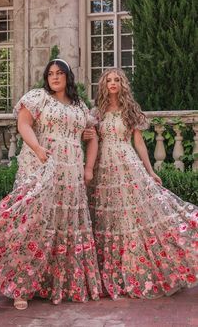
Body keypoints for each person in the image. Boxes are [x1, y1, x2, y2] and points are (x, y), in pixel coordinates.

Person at [0, 59, 102, 310]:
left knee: (63, 225)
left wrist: (88, 169)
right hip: (42, 166)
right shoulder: (37, 97)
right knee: (33, 223)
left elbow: (92, 136)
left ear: (68, 77)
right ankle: (20, 287)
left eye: (60, 73)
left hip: (71, 172)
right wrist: (38, 148)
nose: (54, 77)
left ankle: (60, 284)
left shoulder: (79, 107)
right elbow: (23, 124)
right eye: (50, 74)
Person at [86, 68, 198, 299]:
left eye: (117, 80)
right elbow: (92, 141)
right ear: (104, 85)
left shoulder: (130, 110)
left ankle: (139, 269)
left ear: (123, 84)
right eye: (109, 80)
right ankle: (114, 273)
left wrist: (150, 171)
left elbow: (139, 143)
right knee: (110, 218)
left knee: (135, 215)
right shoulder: (97, 113)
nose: (113, 83)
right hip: (104, 168)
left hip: (127, 164)